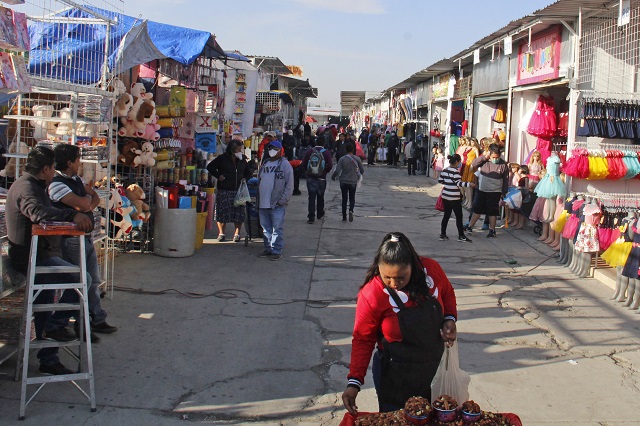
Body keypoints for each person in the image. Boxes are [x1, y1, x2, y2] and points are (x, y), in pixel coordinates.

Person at [341, 232, 458, 414]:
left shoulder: (431, 271)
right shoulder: (372, 293)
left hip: (433, 373)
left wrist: (449, 319)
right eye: (387, 277)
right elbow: (363, 339)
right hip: (395, 378)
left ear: (413, 265)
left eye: (401, 277)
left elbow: (447, 293)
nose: (394, 283)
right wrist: (354, 382)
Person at [6, 146, 93, 375]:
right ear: (46, 169)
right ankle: (56, 328)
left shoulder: (35, 184)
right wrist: (72, 214)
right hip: (31, 260)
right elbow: (38, 213)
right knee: (83, 278)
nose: (55, 171)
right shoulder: (26, 187)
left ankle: (48, 356)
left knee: (45, 305)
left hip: (41, 256)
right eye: (53, 167)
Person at [49, 144, 118, 342]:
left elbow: (93, 198)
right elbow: (86, 203)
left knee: (93, 281)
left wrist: (86, 203)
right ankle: (78, 324)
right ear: (70, 162)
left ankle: (95, 319)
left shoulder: (75, 180)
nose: (80, 162)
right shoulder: (56, 184)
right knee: (80, 282)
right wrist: (85, 203)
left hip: (84, 237)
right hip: (70, 240)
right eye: (78, 159)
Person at [207, 139, 253, 242]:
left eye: (240, 149)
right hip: (224, 189)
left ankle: (237, 233)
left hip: (239, 190)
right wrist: (219, 176)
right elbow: (210, 167)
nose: (239, 151)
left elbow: (248, 173)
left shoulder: (242, 160)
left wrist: (245, 178)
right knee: (222, 212)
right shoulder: (222, 158)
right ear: (232, 149)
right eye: (238, 149)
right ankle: (221, 233)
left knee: (239, 213)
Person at [257, 140, 294, 261]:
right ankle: (268, 249)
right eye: (270, 148)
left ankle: (277, 250)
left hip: (276, 203)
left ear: (280, 151)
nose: (272, 151)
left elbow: (289, 185)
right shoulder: (265, 163)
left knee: (277, 228)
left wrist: (282, 200)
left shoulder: (284, 164)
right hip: (263, 202)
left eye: (275, 149)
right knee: (265, 228)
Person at [464, 144, 509, 238]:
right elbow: (474, 163)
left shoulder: (503, 164)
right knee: (477, 209)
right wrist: (485, 157)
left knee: (492, 211)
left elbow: (506, 179)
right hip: (482, 190)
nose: (495, 159)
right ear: (489, 154)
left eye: (497, 157)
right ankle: (470, 226)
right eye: (493, 157)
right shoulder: (484, 161)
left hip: (495, 192)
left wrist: (504, 193)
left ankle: (492, 230)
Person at [438, 154, 475, 242]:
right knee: (459, 216)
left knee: (446, 215)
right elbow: (459, 183)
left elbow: (440, 180)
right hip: (454, 197)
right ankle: (461, 235)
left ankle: (443, 234)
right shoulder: (456, 172)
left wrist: (448, 183)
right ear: (456, 162)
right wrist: (469, 184)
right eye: (459, 162)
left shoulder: (445, 170)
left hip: (445, 196)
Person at [301, 136, 333, 224]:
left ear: (315, 143)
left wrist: (308, 171)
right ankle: (319, 213)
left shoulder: (309, 151)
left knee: (311, 197)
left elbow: (303, 163)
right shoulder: (326, 153)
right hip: (321, 178)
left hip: (311, 178)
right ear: (324, 143)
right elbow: (330, 165)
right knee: (320, 196)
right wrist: (325, 171)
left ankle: (311, 217)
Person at [332, 142, 364, 222]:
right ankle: (351, 210)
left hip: (343, 181)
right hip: (353, 181)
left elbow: (337, 171)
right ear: (353, 149)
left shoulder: (342, 159)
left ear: (345, 150)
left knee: (344, 198)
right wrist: (357, 173)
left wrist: (333, 177)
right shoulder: (357, 159)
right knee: (352, 197)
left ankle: (344, 216)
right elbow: (362, 170)